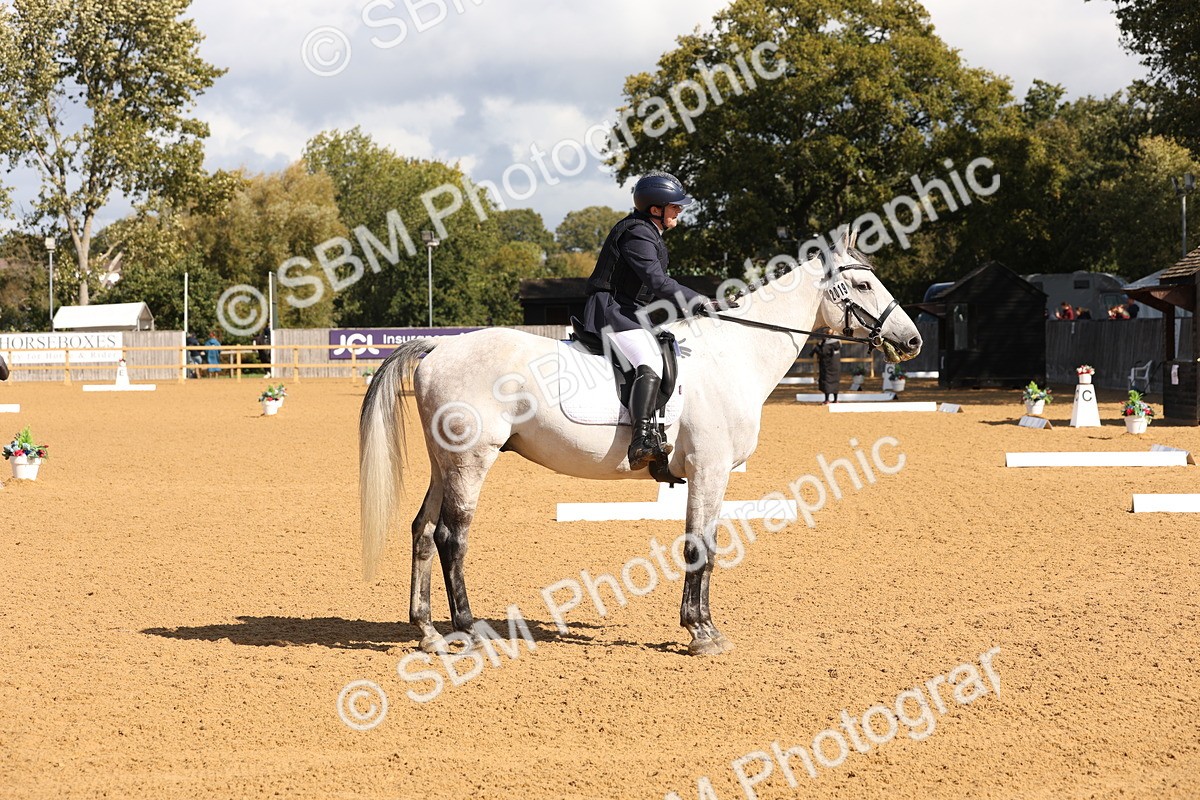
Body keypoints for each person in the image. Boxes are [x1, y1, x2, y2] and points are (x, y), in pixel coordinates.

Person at [582, 171, 714, 470]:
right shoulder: (638, 233)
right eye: (674, 206)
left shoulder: (648, 231)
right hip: (611, 310)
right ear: (656, 209)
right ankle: (641, 440)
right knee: (650, 359)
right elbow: (657, 281)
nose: (679, 210)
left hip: (628, 310)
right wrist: (699, 301)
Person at [815, 336, 842, 403]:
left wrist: (818, 346)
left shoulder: (827, 345)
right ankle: (835, 399)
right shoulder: (838, 343)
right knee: (835, 381)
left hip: (827, 366)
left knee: (827, 381)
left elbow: (822, 353)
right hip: (836, 366)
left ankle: (827, 399)